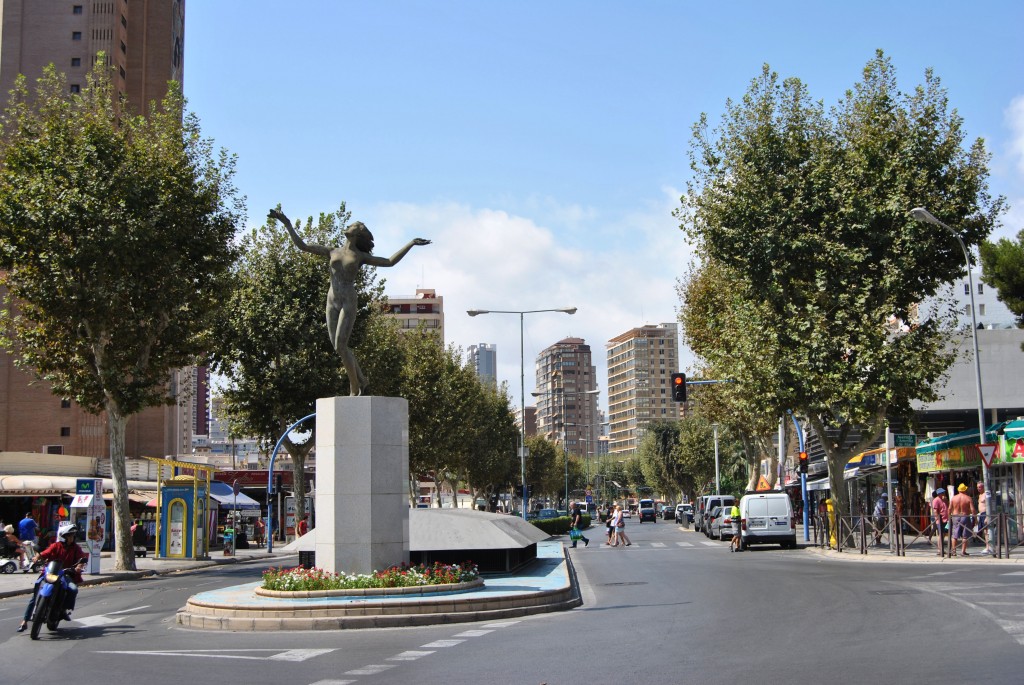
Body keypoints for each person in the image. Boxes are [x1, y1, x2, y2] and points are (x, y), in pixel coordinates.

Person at [269, 208, 430, 396]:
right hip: (332, 300)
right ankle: (362, 379)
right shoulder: (332, 251)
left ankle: (355, 386)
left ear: (358, 232)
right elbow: (303, 246)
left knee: (340, 345)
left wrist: (410, 243)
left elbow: (389, 262)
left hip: (348, 300)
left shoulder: (360, 256)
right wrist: (287, 224)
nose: (348, 226)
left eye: (353, 225)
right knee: (339, 347)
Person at [17, 522, 88, 632]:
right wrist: (37, 557)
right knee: (36, 593)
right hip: (50, 572)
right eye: (70, 536)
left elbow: (81, 558)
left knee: (73, 589)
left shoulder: (76, 548)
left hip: (65, 574)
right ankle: (25, 621)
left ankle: (63, 609)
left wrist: (79, 566)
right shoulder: (56, 545)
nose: (72, 538)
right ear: (63, 536)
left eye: (73, 536)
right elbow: (45, 553)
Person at [950, 483, 976, 557]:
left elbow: (949, 508)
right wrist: (975, 518)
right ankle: (963, 552)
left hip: (955, 516)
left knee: (954, 535)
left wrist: (949, 516)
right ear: (965, 490)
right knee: (965, 536)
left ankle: (954, 551)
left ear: (958, 490)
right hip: (965, 516)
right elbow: (973, 510)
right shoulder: (968, 498)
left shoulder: (954, 498)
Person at [931, 488, 949, 556]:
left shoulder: (944, 499)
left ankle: (942, 548)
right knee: (940, 534)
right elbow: (935, 511)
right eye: (942, 493)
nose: (944, 494)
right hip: (940, 519)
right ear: (939, 494)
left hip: (946, 519)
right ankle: (939, 549)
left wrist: (946, 500)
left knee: (944, 533)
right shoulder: (936, 500)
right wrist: (938, 518)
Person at [977, 483, 992, 555]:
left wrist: (987, 516)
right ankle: (987, 546)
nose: (978, 488)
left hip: (985, 514)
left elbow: (989, 505)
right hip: (981, 514)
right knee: (984, 532)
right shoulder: (980, 495)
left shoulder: (986, 494)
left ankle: (989, 547)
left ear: (983, 487)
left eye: (980, 487)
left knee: (987, 531)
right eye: (978, 487)